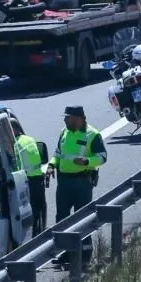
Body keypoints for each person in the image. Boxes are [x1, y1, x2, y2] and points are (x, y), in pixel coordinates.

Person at [45, 106, 107, 264]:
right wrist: (52, 165)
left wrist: (87, 161)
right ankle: (66, 252)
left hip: (82, 181)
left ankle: (84, 255)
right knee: (62, 218)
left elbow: (102, 157)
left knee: (81, 218)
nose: (65, 120)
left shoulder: (92, 134)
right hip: (64, 181)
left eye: (68, 117)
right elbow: (58, 154)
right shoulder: (64, 132)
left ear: (79, 118)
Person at [11, 119, 47, 235]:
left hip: (23, 182)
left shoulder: (13, 144)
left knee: (25, 217)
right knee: (37, 213)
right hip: (37, 180)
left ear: (14, 130)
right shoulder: (29, 139)